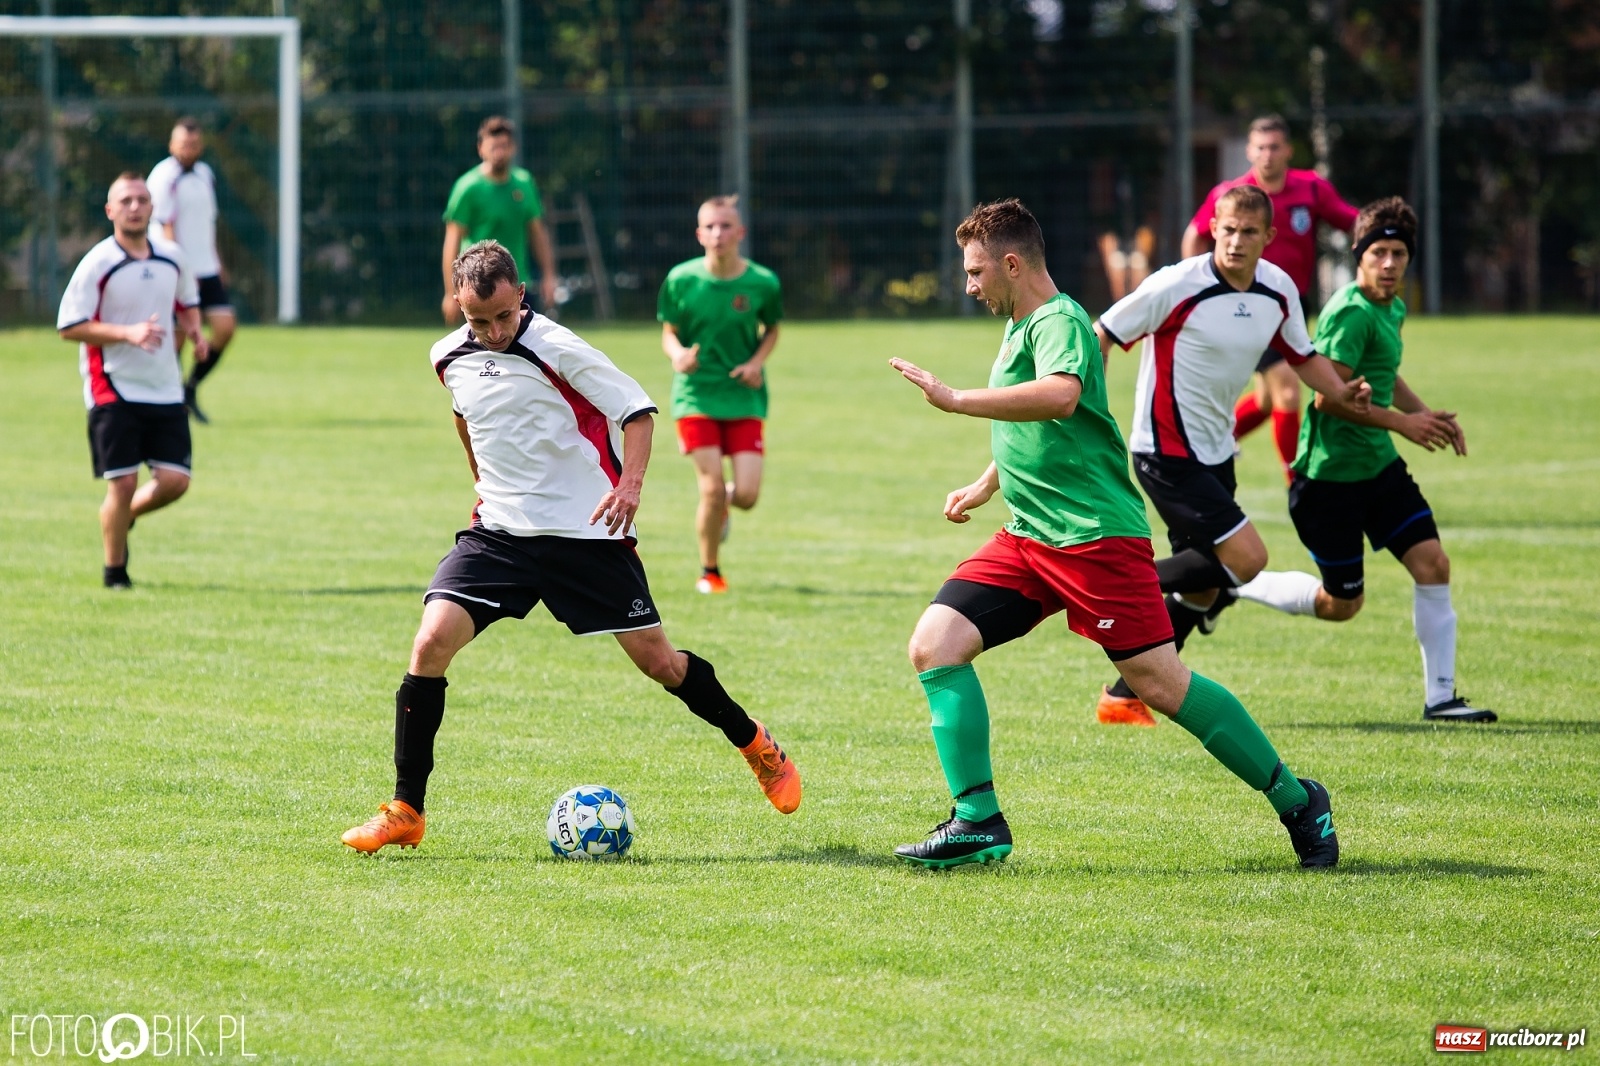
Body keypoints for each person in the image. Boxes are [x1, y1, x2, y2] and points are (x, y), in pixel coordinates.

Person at [888, 199, 1337, 870]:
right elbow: (1036, 419)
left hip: (1092, 538)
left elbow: (1063, 393)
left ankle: (1297, 797)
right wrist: (988, 482)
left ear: (1013, 264)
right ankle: (978, 820)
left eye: (977, 271)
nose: (970, 284)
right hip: (1030, 536)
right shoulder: (1021, 323)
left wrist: (955, 400)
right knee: (936, 644)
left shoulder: (1059, 319)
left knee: (1158, 681)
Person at [341, 241, 801, 854]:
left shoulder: (558, 348)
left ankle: (755, 745)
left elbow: (637, 411)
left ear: (520, 294)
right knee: (429, 642)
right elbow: (464, 414)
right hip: (501, 532)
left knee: (660, 664)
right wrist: (481, 481)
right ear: (458, 304)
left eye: (505, 316)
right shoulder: (447, 356)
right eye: (480, 321)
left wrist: (630, 487)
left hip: (587, 532)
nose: (496, 331)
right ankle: (405, 809)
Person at [1092, 186, 1372, 726]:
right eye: (1228, 230)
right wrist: (1091, 405)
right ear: (1211, 229)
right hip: (1164, 450)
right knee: (1247, 560)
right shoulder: (1177, 284)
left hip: (1218, 452)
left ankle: (1122, 697)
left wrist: (1339, 392)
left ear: (1268, 237)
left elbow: (1302, 356)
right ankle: (1116, 584)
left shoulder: (1278, 290)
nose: (1236, 241)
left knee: (1202, 588)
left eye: (1249, 232)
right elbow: (1102, 330)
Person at [1234, 198, 1498, 723]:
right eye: (1379, 252)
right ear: (1360, 255)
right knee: (1342, 605)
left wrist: (1427, 415)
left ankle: (1441, 698)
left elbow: (1384, 373)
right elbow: (1325, 397)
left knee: (1433, 564)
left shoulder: (1392, 307)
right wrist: (1406, 425)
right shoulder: (1351, 313)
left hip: (1378, 469)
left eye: (1399, 253)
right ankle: (1237, 584)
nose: (1389, 263)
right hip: (1328, 480)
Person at [1183, 114, 1359, 480]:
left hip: (1293, 305)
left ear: (1288, 151)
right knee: (1289, 392)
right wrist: (1195, 286)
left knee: (1267, 400)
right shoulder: (1233, 196)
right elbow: (1196, 234)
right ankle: (1298, 479)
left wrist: (1379, 240)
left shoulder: (1310, 188)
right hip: (1244, 303)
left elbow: (1351, 221)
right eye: (1260, 147)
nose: (1267, 155)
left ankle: (1208, 444)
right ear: (1249, 151)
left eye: (1275, 147)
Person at [57, 173, 205, 589]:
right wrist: (128, 333)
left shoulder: (173, 257)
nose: (135, 207)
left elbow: (186, 302)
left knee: (175, 482)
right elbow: (69, 326)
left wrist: (195, 333)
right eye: (126, 200)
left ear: (152, 208)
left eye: (142, 199)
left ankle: (124, 518)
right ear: (110, 211)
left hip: (164, 387)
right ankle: (115, 573)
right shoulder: (98, 264)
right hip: (113, 386)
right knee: (122, 482)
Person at [657, 195, 783, 595]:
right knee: (709, 488)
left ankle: (724, 504)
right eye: (710, 226)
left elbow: (773, 329)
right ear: (699, 234)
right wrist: (678, 355)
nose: (718, 233)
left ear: (740, 233)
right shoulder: (681, 279)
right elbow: (669, 331)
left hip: (744, 397)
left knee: (745, 495)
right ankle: (710, 572)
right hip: (696, 397)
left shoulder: (763, 282)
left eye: (726, 226)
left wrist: (756, 362)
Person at [148, 117, 235, 424]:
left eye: (195, 144)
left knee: (225, 328)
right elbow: (166, 227)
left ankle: (190, 387)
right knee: (178, 338)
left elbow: (206, 225)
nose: (189, 149)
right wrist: (176, 269)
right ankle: (167, 401)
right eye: (184, 143)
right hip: (180, 271)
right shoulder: (163, 176)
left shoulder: (204, 174)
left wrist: (217, 261)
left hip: (205, 267)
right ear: (172, 145)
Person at [440, 116, 558, 324]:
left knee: (527, 352)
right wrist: (450, 292)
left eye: (504, 146)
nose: (500, 152)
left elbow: (537, 232)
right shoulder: (468, 188)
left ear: (513, 148)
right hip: (478, 286)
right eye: (494, 146)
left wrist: (549, 276)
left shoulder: (524, 183)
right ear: (481, 149)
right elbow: (452, 240)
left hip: (517, 285)